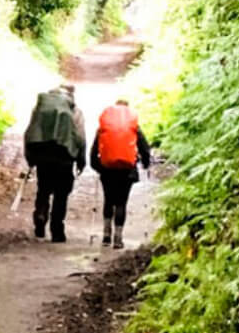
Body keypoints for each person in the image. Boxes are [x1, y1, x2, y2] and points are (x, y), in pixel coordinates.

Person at [24, 84, 86, 243]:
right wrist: (81, 161)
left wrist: (30, 158)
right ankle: (57, 230)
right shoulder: (75, 112)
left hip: (43, 157)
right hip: (64, 159)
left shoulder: (41, 110)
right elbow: (80, 138)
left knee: (43, 189)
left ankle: (40, 215)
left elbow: (30, 133)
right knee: (61, 195)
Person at [91, 99, 150, 250]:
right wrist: (145, 163)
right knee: (121, 202)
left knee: (108, 200)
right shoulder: (133, 126)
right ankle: (118, 238)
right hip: (127, 170)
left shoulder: (105, 125)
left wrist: (97, 166)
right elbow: (144, 148)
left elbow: (95, 148)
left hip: (107, 169)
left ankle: (106, 235)